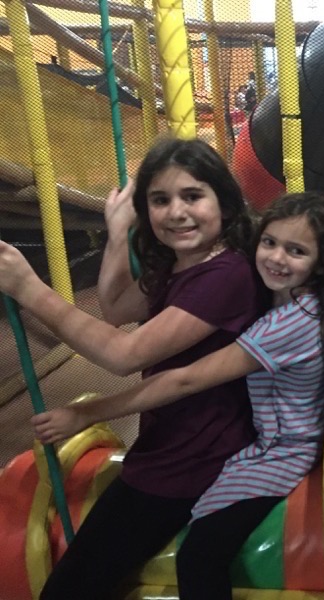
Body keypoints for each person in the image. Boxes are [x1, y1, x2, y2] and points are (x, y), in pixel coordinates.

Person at [31, 193, 324, 600]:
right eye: (270, 243)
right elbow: (116, 309)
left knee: (200, 556)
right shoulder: (276, 296)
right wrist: (119, 230)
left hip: (282, 451)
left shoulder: (291, 322)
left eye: (296, 251)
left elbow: (185, 380)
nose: (276, 257)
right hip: (268, 441)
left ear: (321, 263)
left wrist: (88, 413)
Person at [0, 137, 263, 600]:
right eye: (160, 200)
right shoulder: (184, 265)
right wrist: (119, 231)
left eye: (192, 196)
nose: (176, 212)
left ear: (224, 203)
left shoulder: (228, 275)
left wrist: (29, 289)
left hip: (199, 459)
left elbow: (125, 355)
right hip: (169, 445)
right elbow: (116, 307)